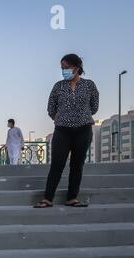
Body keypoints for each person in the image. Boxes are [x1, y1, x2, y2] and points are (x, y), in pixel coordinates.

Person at [35, 54, 99, 209]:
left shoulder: (89, 85)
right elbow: (51, 108)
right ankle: (47, 198)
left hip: (83, 130)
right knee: (57, 164)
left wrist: (79, 116)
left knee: (77, 165)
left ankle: (72, 198)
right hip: (62, 130)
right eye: (62, 68)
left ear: (76, 67)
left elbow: (94, 107)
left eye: (66, 67)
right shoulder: (58, 86)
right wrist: (63, 118)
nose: (64, 71)